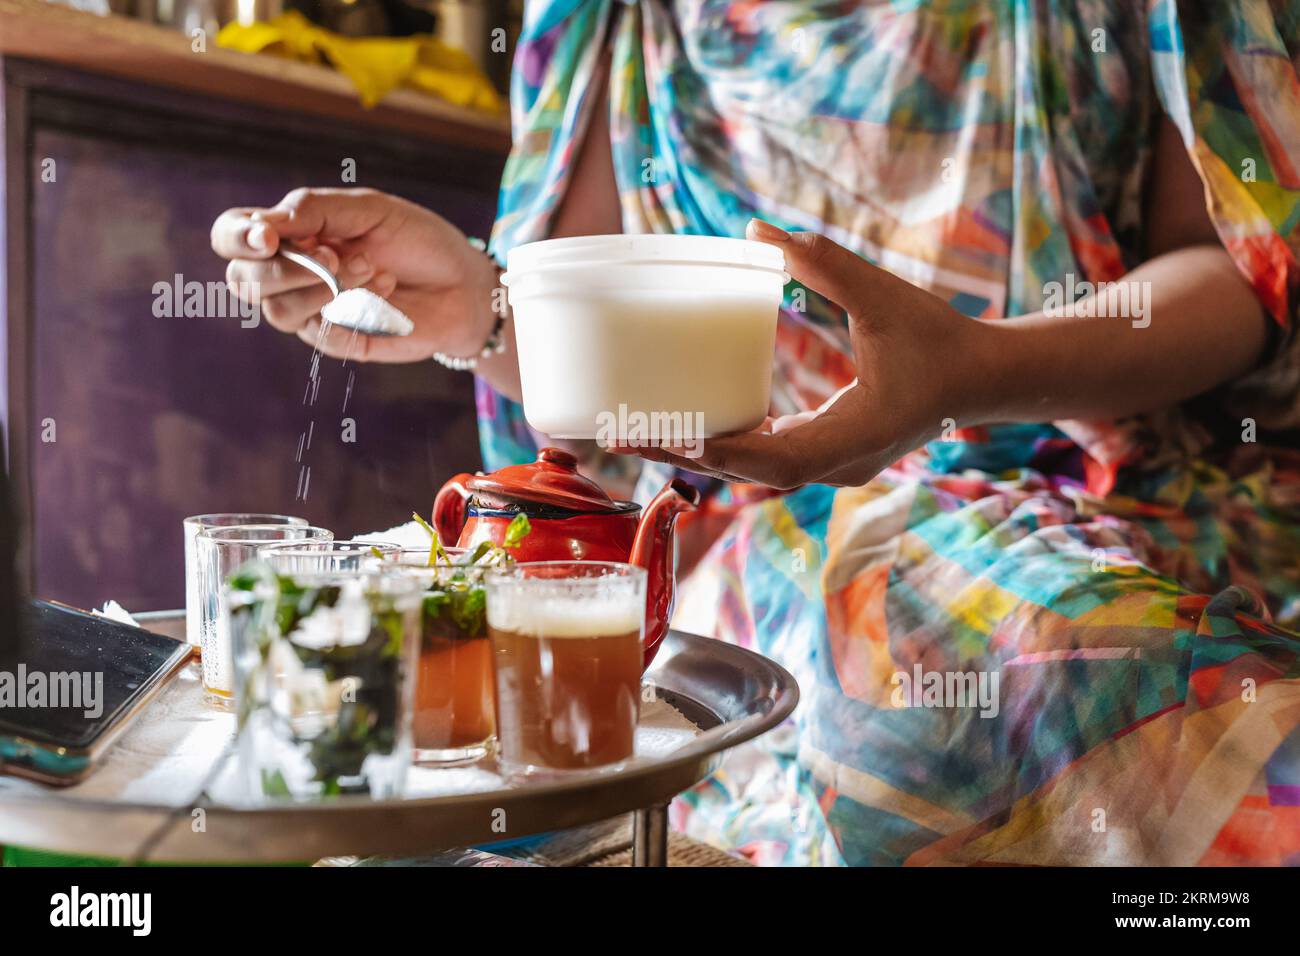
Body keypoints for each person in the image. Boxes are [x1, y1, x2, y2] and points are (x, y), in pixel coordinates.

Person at [214, 2, 1300, 865]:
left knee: (1227, 722)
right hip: (774, 533)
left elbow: (1241, 274)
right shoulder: (621, 20)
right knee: (999, 675)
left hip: (1118, 482)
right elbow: (607, 390)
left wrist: (974, 373)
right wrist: (485, 307)